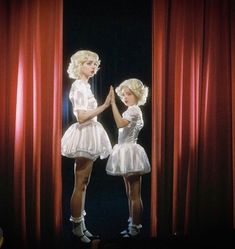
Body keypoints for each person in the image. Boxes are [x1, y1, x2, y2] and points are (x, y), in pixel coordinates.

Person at [61, 50, 112, 243]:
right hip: (84, 133)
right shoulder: (79, 86)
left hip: (89, 133)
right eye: (88, 63)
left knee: (83, 183)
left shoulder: (85, 85)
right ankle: (76, 227)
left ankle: (81, 225)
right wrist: (105, 105)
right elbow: (81, 116)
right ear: (79, 65)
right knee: (80, 183)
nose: (93, 66)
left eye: (94, 63)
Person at [106, 78, 151, 238]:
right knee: (130, 192)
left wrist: (112, 104)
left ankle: (136, 227)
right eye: (123, 94)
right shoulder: (131, 110)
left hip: (131, 152)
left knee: (134, 194)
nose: (125, 97)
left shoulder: (133, 110)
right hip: (125, 151)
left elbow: (120, 124)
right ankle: (133, 223)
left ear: (137, 95)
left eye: (129, 94)